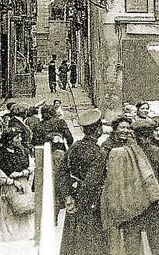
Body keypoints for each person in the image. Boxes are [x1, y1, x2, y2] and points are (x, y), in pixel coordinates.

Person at [118, 120, 159, 255]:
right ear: (151, 135)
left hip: (133, 205)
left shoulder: (125, 154)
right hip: (157, 204)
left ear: (134, 136)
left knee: (132, 244)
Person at [58, 109, 108, 255]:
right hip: (91, 201)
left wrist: (68, 197)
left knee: (72, 240)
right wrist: (83, 202)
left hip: (73, 196)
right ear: (98, 129)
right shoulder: (99, 153)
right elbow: (91, 183)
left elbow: (61, 173)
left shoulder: (74, 147)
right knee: (92, 241)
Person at [0, 128, 34, 242]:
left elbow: (31, 165)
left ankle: (25, 235)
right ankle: (10, 238)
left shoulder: (23, 151)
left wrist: (25, 173)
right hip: (8, 187)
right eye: (17, 137)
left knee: (24, 208)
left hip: (23, 184)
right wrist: (13, 182)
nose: (20, 139)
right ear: (9, 140)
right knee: (9, 212)